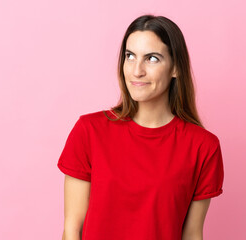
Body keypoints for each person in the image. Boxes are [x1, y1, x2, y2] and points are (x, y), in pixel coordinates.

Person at [57, 14, 224, 240]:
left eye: (152, 58)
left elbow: (192, 234)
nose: (137, 71)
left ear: (176, 68)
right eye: (130, 56)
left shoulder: (203, 147)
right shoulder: (89, 131)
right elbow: (72, 230)